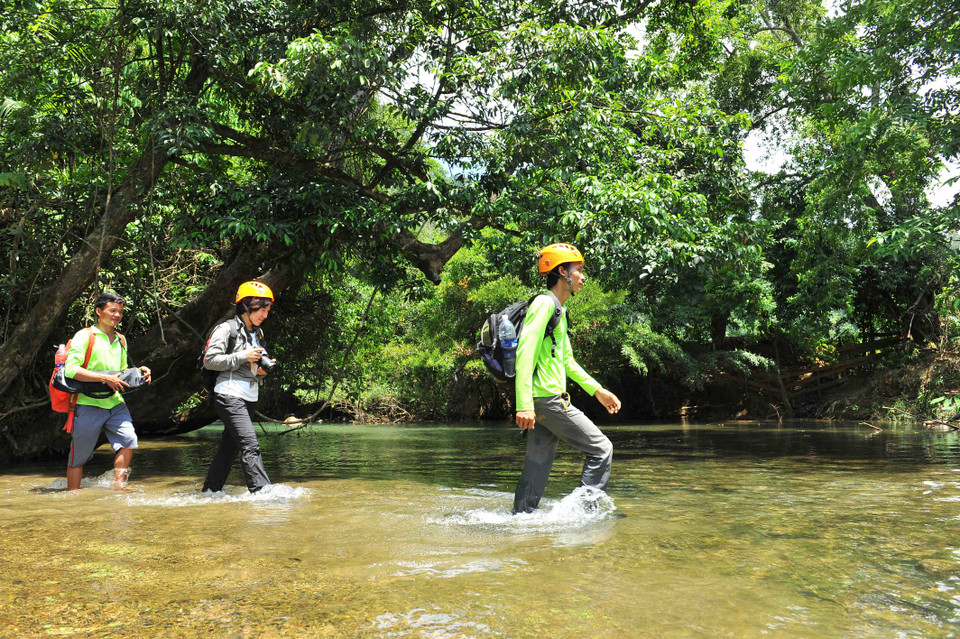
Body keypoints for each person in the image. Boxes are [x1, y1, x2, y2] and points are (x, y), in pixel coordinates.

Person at [512, 243, 622, 514]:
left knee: (537, 466)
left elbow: (567, 362)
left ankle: (519, 522)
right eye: (579, 270)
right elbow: (525, 352)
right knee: (601, 449)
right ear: (562, 271)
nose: (583, 277)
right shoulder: (544, 303)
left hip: (542, 401)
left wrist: (598, 391)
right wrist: (523, 404)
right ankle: (584, 514)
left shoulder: (558, 312)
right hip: (547, 399)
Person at [64, 291, 152, 491]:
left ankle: (118, 486)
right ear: (98, 311)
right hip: (87, 402)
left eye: (120, 312)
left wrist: (139, 371)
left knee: (128, 439)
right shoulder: (85, 336)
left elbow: (120, 372)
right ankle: (72, 494)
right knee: (80, 454)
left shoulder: (121, 339)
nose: (117, 315)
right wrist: (104, 378)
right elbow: (71, 370)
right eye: (112, 311)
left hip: (115, 401)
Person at [201, 280, 276, 493]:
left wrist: (260, 371)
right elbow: (211, 360)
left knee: (229, 449)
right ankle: (263, 494)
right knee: (250, 445)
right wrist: (244, 356)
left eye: (267, 311)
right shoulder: (226, 329)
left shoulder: (258, 334)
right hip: (229, 395)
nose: (264, 315)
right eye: (261, 310)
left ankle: (210, 492)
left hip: (249, 396)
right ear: (246, 306)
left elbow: (251, 366)